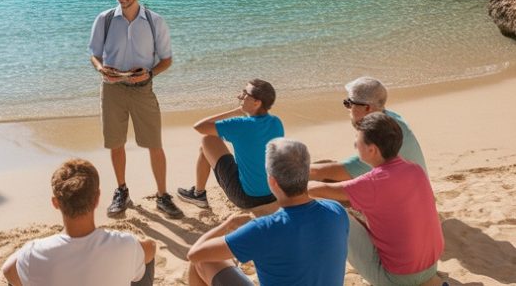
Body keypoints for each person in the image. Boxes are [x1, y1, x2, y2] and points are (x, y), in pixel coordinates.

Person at [187, 138, 348, 285]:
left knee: (202, 262)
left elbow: (194, 254)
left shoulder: (264, 228)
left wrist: (228, 225)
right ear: (307, 174)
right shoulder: (336, 211)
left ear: (272, 182)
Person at [88, 0, 182, 218]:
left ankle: (162, 195)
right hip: (112, 90)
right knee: (115, 144)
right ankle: (122, 191)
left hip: (143, 90)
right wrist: (101, 69)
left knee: (154, 144)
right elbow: (94, 55)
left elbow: (166, 60)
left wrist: (149, 74)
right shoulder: (104, 19)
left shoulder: (155, 21)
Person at [308, 113, 445, 286]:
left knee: (331, 212)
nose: (355, 145)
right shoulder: (415, 170)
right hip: (430, 267)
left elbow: (315, 190)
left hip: (398, 279)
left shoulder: (373, 183)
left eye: (357, 140)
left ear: (372, 150)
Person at [2, 158, 157, 286]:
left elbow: (8, 270)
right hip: (124, 251)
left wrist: (30, 249)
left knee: (21, 275)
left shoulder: (34, 253)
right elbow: (151, 247)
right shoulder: (124, 244)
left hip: (41, 257)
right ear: (97, 198)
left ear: (55, 203)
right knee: (144, 259)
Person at [178, 79, 283, 211]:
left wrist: (235, 112)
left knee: (207, 140)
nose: (239, 96)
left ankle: (198, 194)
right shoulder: (276, 122)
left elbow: (199, 126)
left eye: (245, 94)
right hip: (274, 193)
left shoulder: (241, 125)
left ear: (257, 102)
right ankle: (198, 193)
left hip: (247, 198)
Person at [310, 76, 426, 182]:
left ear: (367, 107)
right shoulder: (389, 118)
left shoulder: (381, 134)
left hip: (402, 197)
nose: (348, 108)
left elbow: (347, 169)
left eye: (349, 103)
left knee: (322, 180)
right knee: (325, 167)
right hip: (415, 189)